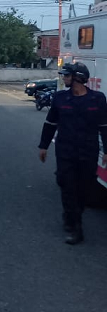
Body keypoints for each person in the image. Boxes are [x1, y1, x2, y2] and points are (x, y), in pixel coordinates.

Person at [38, 62, 107, 245]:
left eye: (67, 75)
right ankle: (76, 226)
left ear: (78, 78)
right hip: (65, 151)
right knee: (67, 186)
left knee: (84, 190)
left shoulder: (98, 99)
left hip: (89, 152)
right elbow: (50, 123)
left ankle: (72, 215)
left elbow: (104, 126)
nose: (64, 78)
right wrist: (43, 146)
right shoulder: (60, 98)